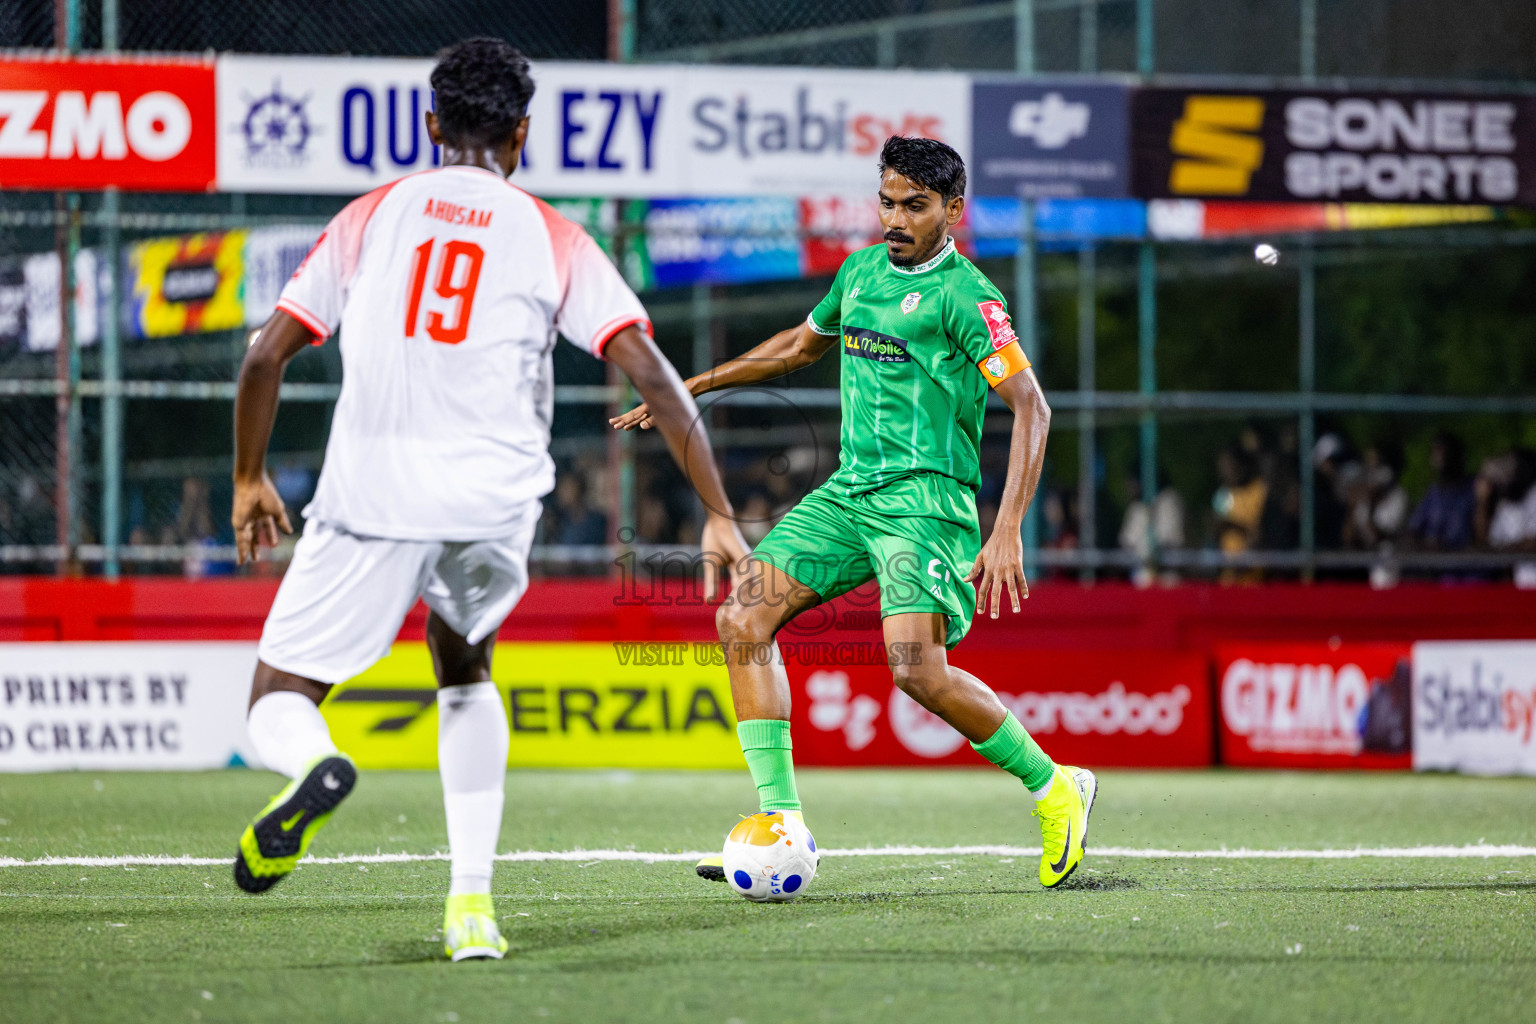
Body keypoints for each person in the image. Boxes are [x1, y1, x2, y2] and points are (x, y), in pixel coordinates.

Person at [228, 38, 748, 961]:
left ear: (431, 127)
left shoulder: (373, 215)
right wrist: (715, 508)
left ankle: (317, 767)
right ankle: (471, 909)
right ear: (523, 133)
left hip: (372, 493)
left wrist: (248, 477)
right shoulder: (554, 233)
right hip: (494, 501)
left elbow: (265, 355)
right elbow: (656, 377)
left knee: (280, 693)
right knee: (465, 668)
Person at [612, 136, 1095, 890]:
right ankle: (781, 822)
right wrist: (693, 384)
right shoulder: (862, 271)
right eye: (888, 201)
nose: (896, 218)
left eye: (916, 205)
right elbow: (802, 346)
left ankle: (1055, 786)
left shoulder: (969, 298)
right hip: (848, 492)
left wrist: (1008, 529)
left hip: (924, 503)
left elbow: (1032, 407)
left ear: (953, 211)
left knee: (916, 671)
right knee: (743, 617)